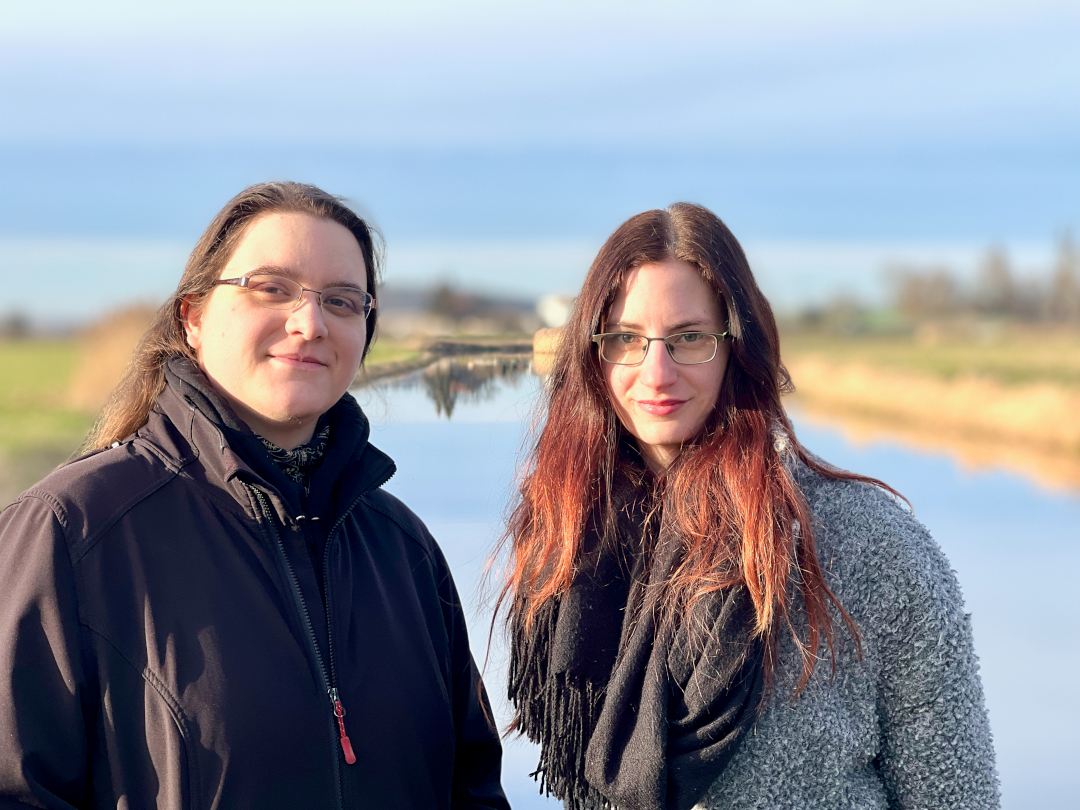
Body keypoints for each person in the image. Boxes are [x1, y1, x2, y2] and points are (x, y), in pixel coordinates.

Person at [0, 182, 509, 809]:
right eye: (271, 288)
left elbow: (473, 786)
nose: (310, 322)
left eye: (343, 301)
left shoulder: (401, 548)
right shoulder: (71, 531)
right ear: (193, 316)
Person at [501, 203, 998, 810]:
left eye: (689, 339)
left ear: (738, 349)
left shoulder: (870, 544)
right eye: (627, 340)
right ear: (593, 355)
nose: (655, 373)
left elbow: (957, 795)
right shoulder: (566, 539)